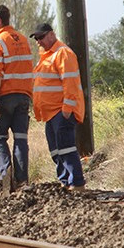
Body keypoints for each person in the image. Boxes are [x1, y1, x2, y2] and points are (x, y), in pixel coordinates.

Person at [31, 23, 86, 191]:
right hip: (51, 113)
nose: (38, 42)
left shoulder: (63, 53)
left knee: (66, 148)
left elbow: (70, 83)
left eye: (41, 37)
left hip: (61, 112)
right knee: (56, 151)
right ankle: (65, 182)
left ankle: (76, 184)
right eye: (36, 39)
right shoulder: (47, 56)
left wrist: (67, 110)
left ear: (51, 35)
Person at [0, 5, 34, 193]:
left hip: (4, 97)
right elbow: (19, 69)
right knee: (21, 139)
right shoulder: (22, 39)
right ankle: (22, 182)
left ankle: (6, 178)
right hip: (23, 96)